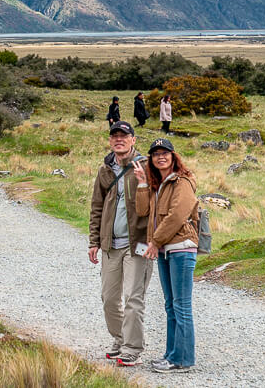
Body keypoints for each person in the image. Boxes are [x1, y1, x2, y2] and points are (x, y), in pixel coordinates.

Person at [88, 121, 154, 367]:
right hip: (110, 245)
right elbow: (96, 206)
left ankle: (132, 348)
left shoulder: (146, 167)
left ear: (133, 140)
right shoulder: (105, 169)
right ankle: (120, 338)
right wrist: (94, 241)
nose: (119, 139)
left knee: (133, 298)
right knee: (109, 298)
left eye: (124, 136)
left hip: (137, 245)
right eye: (114, 136)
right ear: (110, 141)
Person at [143, 137, 198, 374]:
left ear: (174, 157)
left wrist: (155, 241)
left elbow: (177, 215)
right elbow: (142, 211)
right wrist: (141, 184)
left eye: (165, 153)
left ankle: (183, 360)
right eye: (156, 154)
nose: (160, 157)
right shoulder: (160, 184)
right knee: (170, 305)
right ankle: (172, 354)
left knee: (181, 305)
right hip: (167, 249)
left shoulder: (182, 181)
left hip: (181, 248)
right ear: (151, 160)